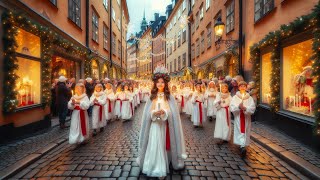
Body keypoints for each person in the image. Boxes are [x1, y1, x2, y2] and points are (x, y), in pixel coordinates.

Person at [137, 65, 186, 179]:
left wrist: (164, 112)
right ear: (155, 83)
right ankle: (153, 165)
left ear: (166, 84)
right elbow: (147, 114)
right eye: (158, 82)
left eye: (162, 82)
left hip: (165, 126)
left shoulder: (169, 97)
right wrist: (153, 113)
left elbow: (173, 113)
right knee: (155, 143)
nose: (160, 84)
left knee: (163, 145)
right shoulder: (152, 97)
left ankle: (163, 164)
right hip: (154, 125)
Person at [230, 81, 256, 157]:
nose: (242, 88)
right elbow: (232, 106)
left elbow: (252, 107)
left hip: (246, 117)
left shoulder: (249, 98)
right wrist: (238, 107)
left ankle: (243, 145)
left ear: (246, 87)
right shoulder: (235, 97)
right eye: (241, 86)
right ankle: (242, 145)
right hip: (238, 117)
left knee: (245, 129)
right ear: (239, 87)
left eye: (244, 86)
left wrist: (245, 108)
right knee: (239, 129)